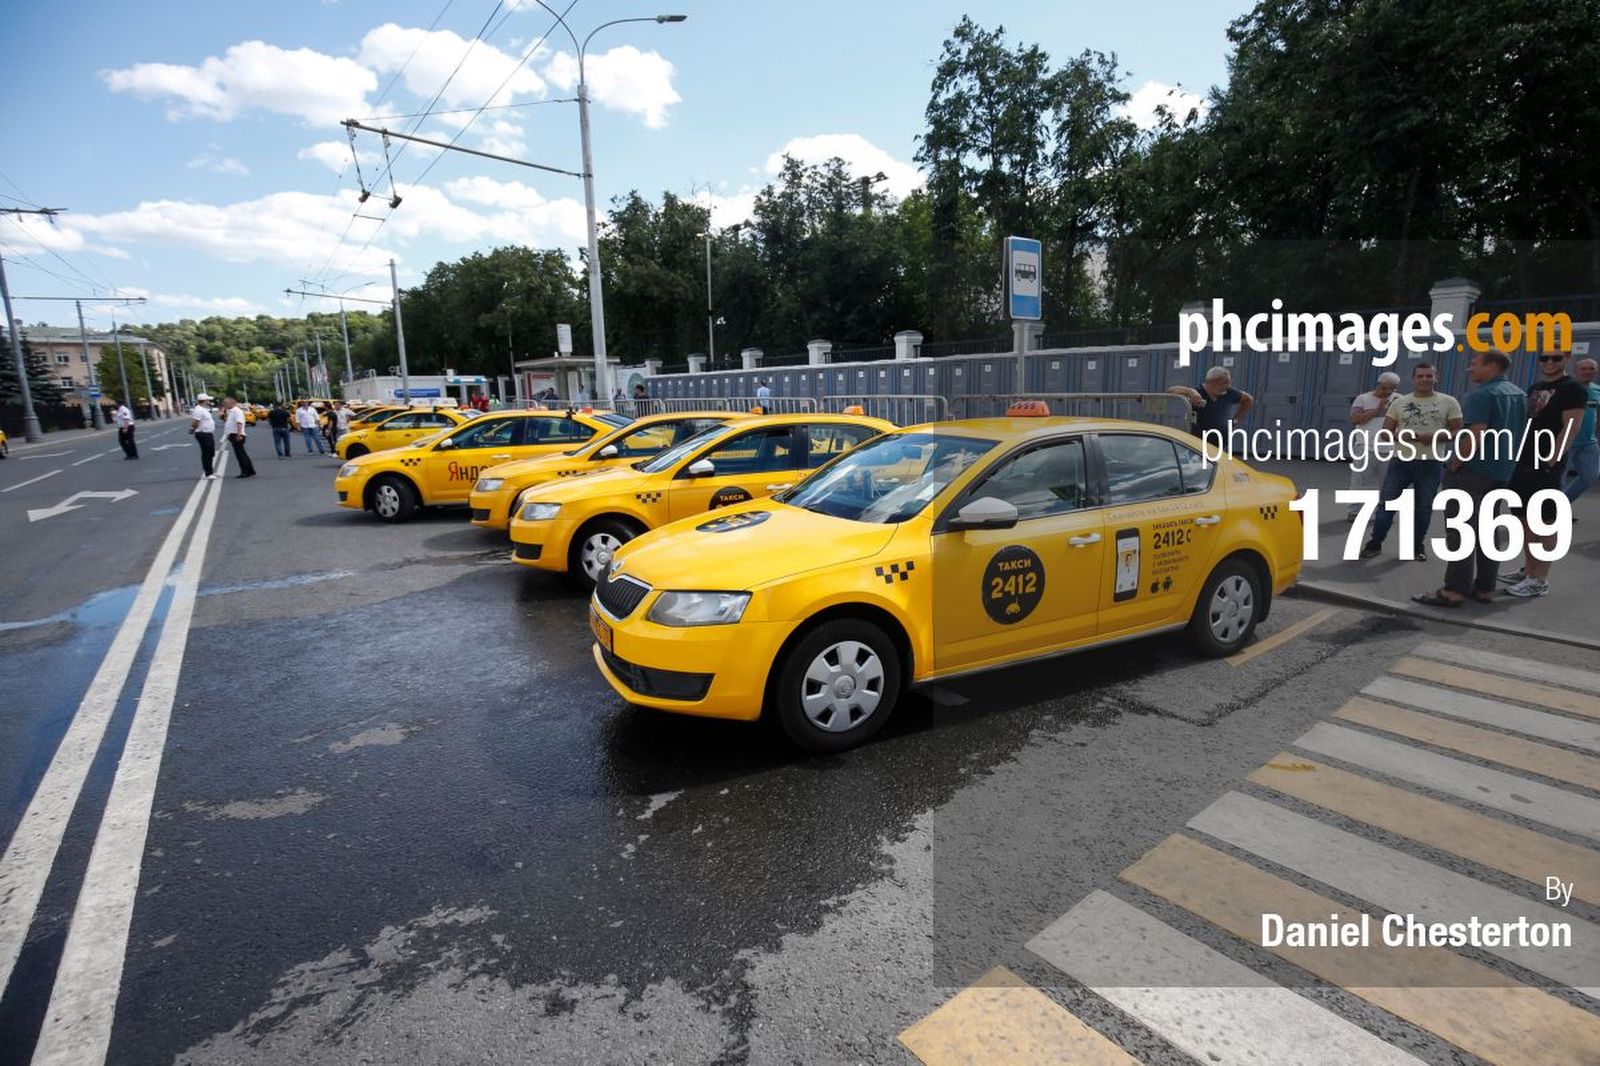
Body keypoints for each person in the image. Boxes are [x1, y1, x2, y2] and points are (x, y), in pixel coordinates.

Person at [1413, 349, 1525, 607]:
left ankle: (1454, 591)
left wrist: (1454, 462)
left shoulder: (1482, 394)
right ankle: (1484, 588)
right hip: (1501, 472)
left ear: (1492, 366)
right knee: (1489, 531)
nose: (1469, 369)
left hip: (1472, 473)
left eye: (1475, 364)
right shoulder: (1518, 394)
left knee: (1460, 532)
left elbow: (1476, 433)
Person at [1498, 350, 1588, 597]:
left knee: (1545, 520)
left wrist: (1553, 458)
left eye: (1556, 358)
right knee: (1523, 518)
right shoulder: (1536, 387)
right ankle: (1528, 570)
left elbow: (1572, 426)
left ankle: (1539, 579)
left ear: (1566, 358)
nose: (1549, 362)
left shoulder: (1572, 389)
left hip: (1546, 464)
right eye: (1544, 358)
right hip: (1523, 460)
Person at [1361, 363, 1461, 560]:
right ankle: (1375, 543)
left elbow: (1457, 431)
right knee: (1387, 505)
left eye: (1429, 376)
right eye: (1420, 376)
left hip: (1431, 463)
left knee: (1423, 508)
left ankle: (1416, 547)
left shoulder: (1449, 402)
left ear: (1436, 378)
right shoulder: (1399, 402)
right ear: (1414, 379)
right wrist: (1402, 436)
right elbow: (1385, 434)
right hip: (1401, 462)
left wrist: (1433, 437)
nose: (1425, 379)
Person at [1346, 372, 1400, 520]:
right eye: (1385, 388)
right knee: (1359, 480)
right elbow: (1355, 419)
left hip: (1389, 447)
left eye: (1392, 389)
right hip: (1365, 446)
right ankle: (1355, 511)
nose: (1388, 392)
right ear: (1378, 384)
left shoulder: (1399, 400)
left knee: (1389, 483)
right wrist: (1377, 410)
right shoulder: (1363, 399)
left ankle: (1384, 512)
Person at [1167, 366, 1253, 451]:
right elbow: (1171, 391)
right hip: (1198, 447)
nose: (1228, 386)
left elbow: (1248, 400)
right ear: (1212, 382)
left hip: (1220, 447)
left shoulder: (1229, 392)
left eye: (1228, 382)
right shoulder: (1198, 392)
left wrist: (1235, 421)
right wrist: (1191, 392)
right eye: (1225, 383)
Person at [1562, 357, 1598, 502]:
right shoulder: (1566, 388)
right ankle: (1549, 513)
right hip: (1567, 441)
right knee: (1558, 480)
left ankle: (1561, 505)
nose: (1588, 372)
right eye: (1584, 369)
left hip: (1589, 443)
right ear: (1575, 371)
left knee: (1590, 477)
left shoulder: (1597, 391)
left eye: (1591, 369)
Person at [222, 396, 256, 478]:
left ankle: (245, 471)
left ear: (232, 402)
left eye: (226, 403)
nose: (224, 404)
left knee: (240, 454)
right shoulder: (231, 411)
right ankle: (250, 470)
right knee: (242, 453)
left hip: (236, 434)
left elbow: (239, 423)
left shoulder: (236, 411)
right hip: (234, 434)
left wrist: (239, 434)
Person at [189, 393, 218, 480]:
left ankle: (210, 471)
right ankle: (208, 473)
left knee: (210, 452)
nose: (209, 401)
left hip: (207, 433)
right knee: (207, 453)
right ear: (204, 401)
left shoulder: (203, 409)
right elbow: (195, 422)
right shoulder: (199, 410)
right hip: (203, 433)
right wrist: (192, 429)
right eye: (208, 400)